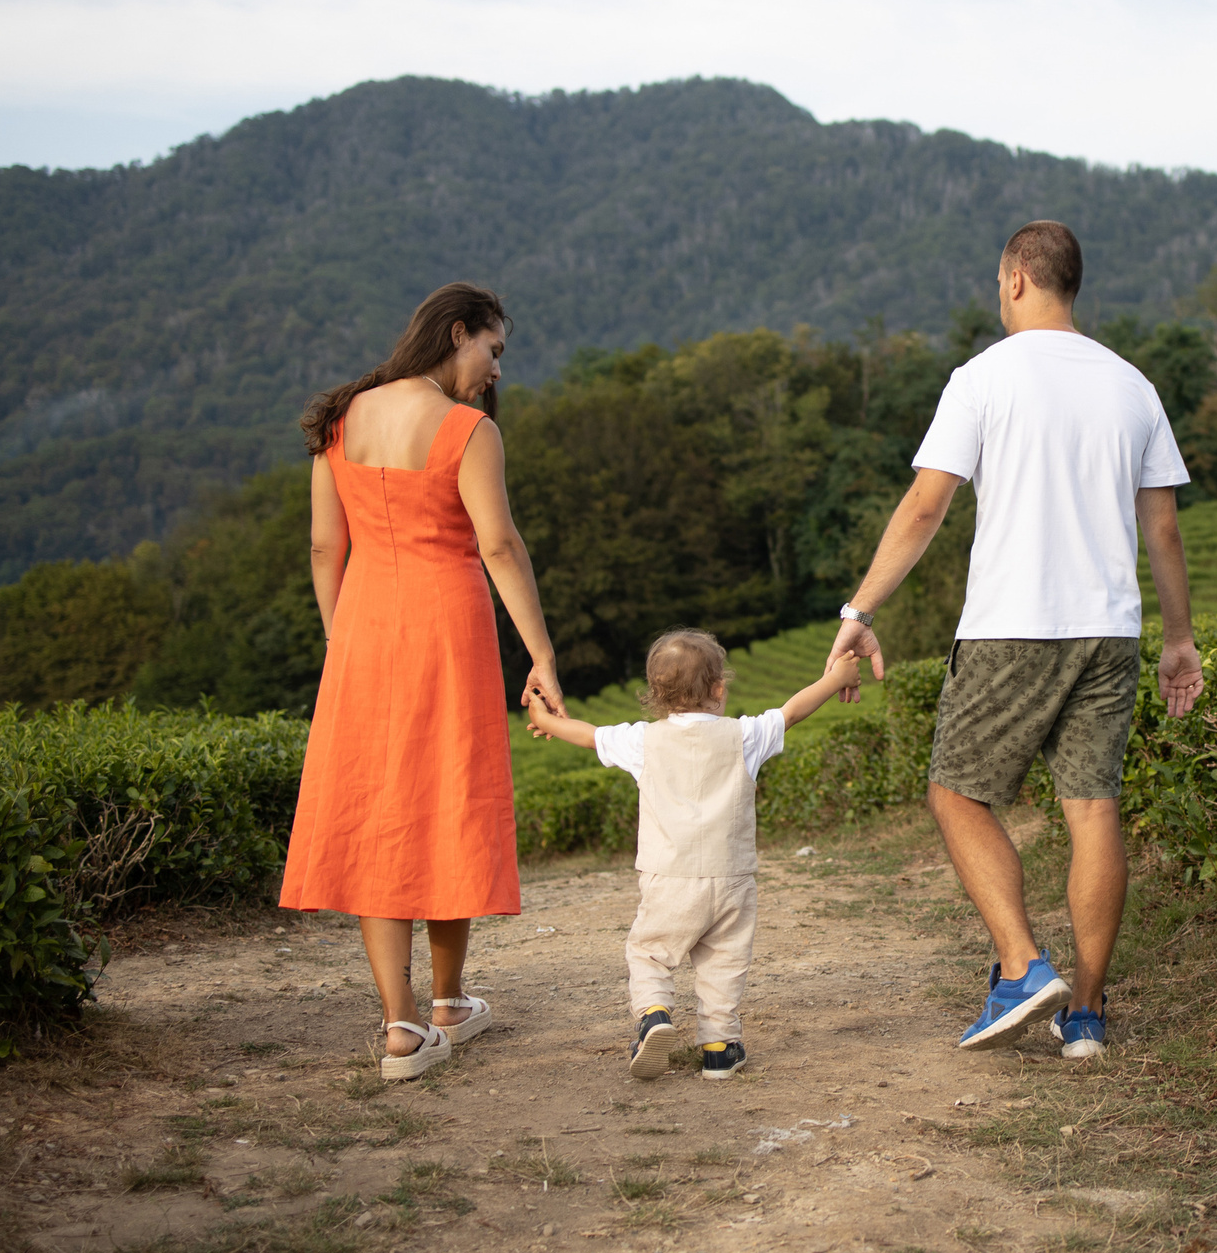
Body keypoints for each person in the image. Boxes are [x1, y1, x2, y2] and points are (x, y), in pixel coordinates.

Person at [827, 220, 1202, 1059]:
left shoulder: (983, 377)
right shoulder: (1133, 385)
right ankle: (1089, 1018)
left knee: (957, 791)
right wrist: (1179, 638)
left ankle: (1025, 964)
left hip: (1012, 624)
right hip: (1111, 629)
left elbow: (926, 507)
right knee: (1093, 808)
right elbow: (1164, 530)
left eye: (1001, 281)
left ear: (1020, 278)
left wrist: (859, 610)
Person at [277, 282, 565, 1082]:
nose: (496, 371)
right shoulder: (466, 429)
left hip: (363, 631)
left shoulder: (341, 419)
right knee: (448, 799)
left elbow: (322, 549)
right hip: (448, 630)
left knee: (379, 809)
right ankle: (447, 1002)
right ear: (458, 332)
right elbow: (500, 546)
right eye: (494, 351)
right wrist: (540, 654)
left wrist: (342, 638)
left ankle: (401, 1025)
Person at [526, 630, 862, 1081]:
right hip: (732, 878)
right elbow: (793, 710)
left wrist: (541, 715)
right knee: (724, 961)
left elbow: (584, 735)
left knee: (650, 953)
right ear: (719, 688)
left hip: (669, 877)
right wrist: (836, 676)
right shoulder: (744, 736)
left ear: (655, 696)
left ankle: (654, 1016)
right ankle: (720, 1047)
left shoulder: (642, 740)